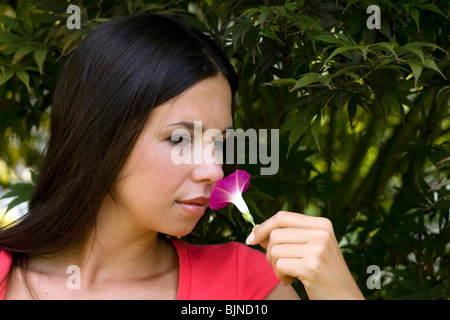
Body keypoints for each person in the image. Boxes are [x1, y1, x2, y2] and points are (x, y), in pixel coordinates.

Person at [0, 13, 364, 300]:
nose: (214, 170)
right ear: (101, 135)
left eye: (219, 142)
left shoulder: (244, 284)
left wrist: (339, 292)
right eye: (179, 138)